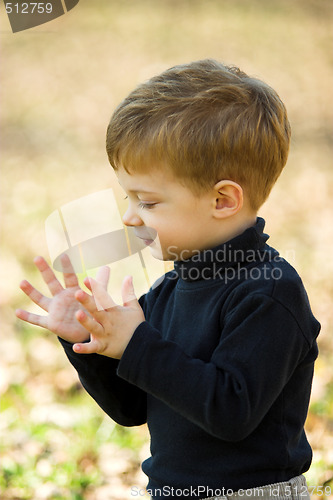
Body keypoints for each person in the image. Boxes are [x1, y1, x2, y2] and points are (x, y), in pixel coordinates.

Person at [16, 59, 321, 500]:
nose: (128, 215)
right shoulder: (168, 290)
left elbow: (230, 411)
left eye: (148, 201)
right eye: (128, 197)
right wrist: (93, 342)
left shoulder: (269, 292)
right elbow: (132, 408)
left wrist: (138, 343)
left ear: (223, 199)